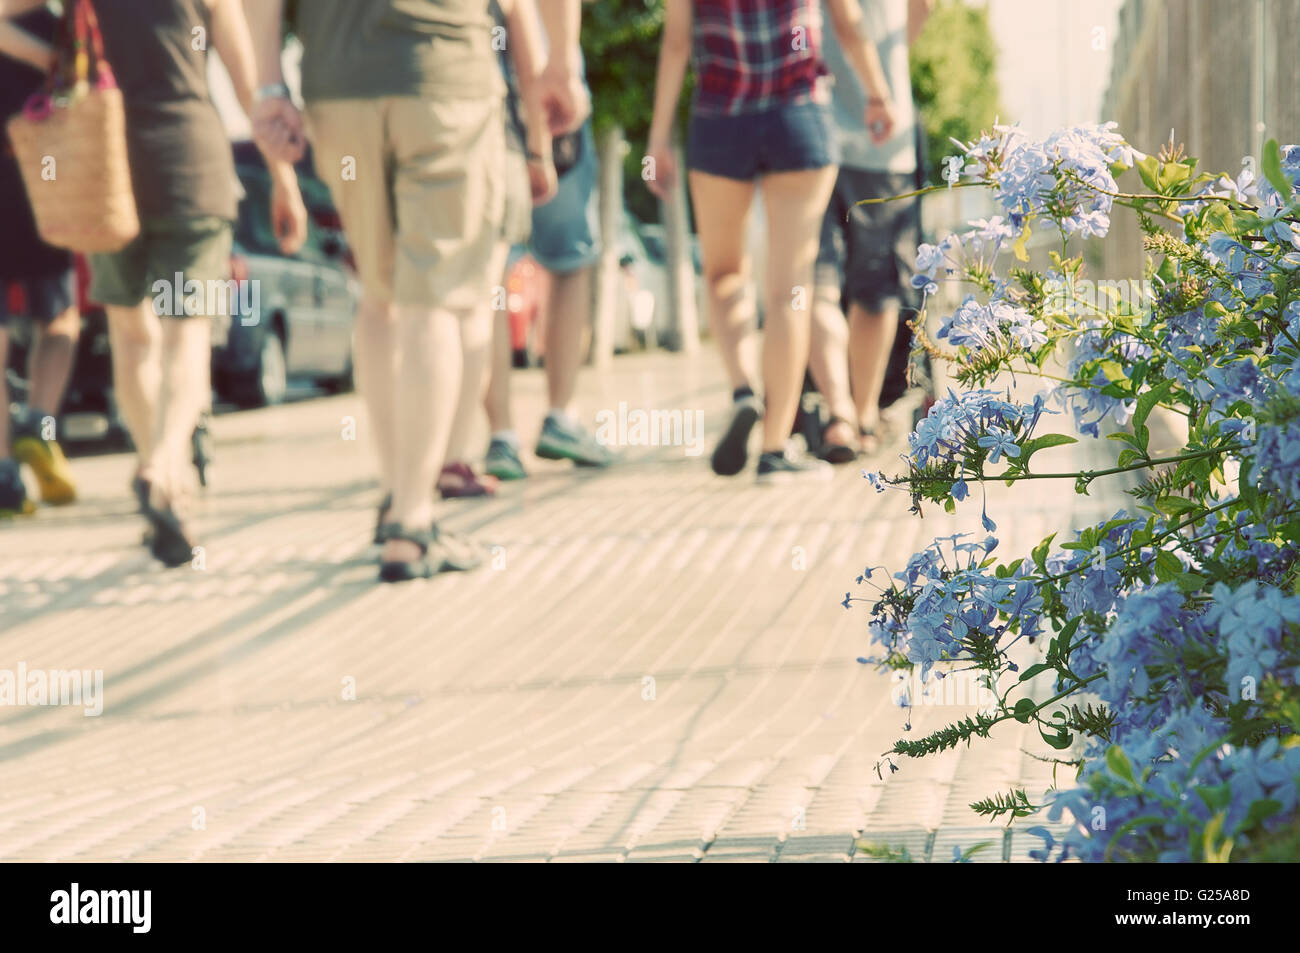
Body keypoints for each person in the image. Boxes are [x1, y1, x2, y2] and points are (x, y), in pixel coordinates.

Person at [244, 0, 557, 581]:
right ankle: (413, 523)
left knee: (379, 296)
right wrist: (551, 85)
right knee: (432, 299)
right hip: (444, 82)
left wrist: (269, 86)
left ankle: (396, 494)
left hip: (339, 89)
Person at [2, 0, 307, 563]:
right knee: (187, 332)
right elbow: (250, 88)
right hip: (193, 166)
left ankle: (151, 465)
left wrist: (57, 61)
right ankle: (165, 465)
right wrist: (283, 178)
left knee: (131, 334)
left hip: (107, 168)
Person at [647, 0, 896, 483]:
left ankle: (744, 389)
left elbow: (677, 41)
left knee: (724, 273)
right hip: (797, 116)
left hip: (720, 118)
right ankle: (774, 449)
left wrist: (658, 138)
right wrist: (877, 94)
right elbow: (847, 22)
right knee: (789, 289)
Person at [441, 0, 556, 497]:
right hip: (491, 141)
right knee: (478, 302)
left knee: (424, 302)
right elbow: (529, 63)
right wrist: (539, 149)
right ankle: (457, 452)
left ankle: (425, 454)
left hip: (419, 132)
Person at [812, 0, 931, 455]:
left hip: (812, 131)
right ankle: (862, 416)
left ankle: (838, 414)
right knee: (876, 286)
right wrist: (880, 82)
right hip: (884, 139)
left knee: (816, 283)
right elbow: (921, 10)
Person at [523, 0, 611, 471]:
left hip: (472, 91)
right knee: (571, 260)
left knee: (490, 271)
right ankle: (560, 414)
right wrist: (561, 65)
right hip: (550, 98)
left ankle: (494, 437)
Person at [0, 6, 79, 517]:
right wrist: (53, 58)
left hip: (31, 170)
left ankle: (4, 469)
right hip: (41, 171)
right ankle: (37, 424)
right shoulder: (56, 25)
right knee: (62, 316)